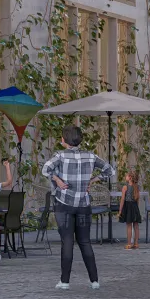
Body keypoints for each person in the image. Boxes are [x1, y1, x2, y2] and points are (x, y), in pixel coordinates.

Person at [41, 124, 113, 290]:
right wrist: (92, 181)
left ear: (63, 140)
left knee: (67, 242)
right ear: (80, 140)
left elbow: (45, 169)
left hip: (64, 204)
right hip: (83, 205)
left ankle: (65, 281)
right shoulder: (91, 156)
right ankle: (94, 280)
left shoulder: (60, 155)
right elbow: (109, 170)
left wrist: (57, 180)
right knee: (85, 242)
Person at [118, 169, 142, 250]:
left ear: (130, 177)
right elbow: (138, 199)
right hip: (135, 207)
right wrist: (137, 209)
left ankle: (128, 244)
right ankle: (136, 244)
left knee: (129, 226)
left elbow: (122, 200)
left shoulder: (125, 187)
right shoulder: (137, 187)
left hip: (128, 207)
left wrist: (120, 210)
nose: (126, 177)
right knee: (136, 225)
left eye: (127, 175)